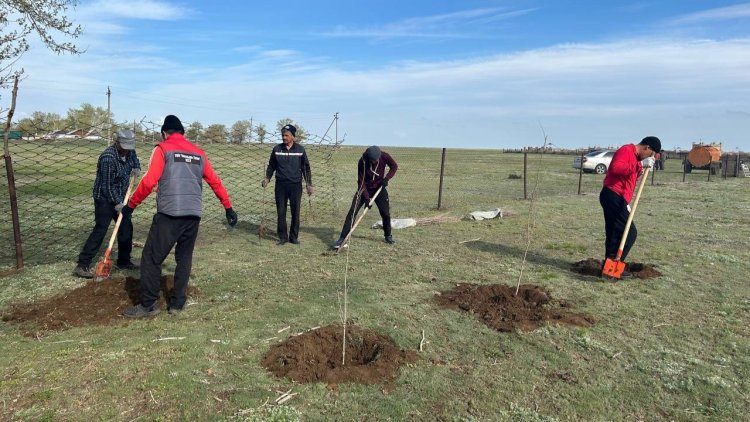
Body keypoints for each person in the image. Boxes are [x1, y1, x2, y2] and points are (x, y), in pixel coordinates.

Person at [120, 115, 238, 318]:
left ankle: (149, 305)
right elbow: (215, 181)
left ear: (165, 133)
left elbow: (149, 182)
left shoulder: (163, 149)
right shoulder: (199, 153)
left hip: (169, 214)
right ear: (182, 132)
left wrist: (130, 206)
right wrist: (228, 207)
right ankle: (177, 303)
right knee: (184, 258)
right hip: (193, 214)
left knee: (151, 258)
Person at [73, 129, 141, 278]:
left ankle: (124, 261)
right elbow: (107, 186)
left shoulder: (130, 151)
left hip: (122, 197)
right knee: (101, 230)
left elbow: (134, 157)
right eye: (124, 147)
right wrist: (117, 204)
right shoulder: (108, 158)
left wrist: (136, 167)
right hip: (104, 199)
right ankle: (82, 265)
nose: (127, 150)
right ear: (117, 143)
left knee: (126, 228)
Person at [599, 136, 660, 278]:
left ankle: (608, 268)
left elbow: (629, 177)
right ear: (647, 148)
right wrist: (640, 165)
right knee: (630, 233)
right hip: (612, 195)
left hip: (619, 198)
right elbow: (615, 168)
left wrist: (642, 168)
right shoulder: (626, 150)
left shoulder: (636, 158)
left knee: (614, 232)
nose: (649, 157)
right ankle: (615, 264)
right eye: (651, 154)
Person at [332, 145, 398, 249]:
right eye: (373, 160)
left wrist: (386, 178)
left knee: (385, 213)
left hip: (379, 188)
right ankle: (342, 238)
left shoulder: (384, 156)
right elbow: (361, 181)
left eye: (376, 160)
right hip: (364, 188)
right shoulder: (362, 161)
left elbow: (394, 166)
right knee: (352, 212)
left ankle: (388, 236)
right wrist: (367, 198)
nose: (375, 162)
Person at [262, 124, 313, 245]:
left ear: (293, 136)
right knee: (281, 211)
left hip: (295, 185)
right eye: (283, 135)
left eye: (287, 135)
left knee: (295, 211)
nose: (284, 138)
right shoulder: (277, 149)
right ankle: (283, 237)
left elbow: (306, 168)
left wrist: (309, 184)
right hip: (281, 185)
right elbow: (271, 165)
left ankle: (293, 237)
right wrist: (267, 178)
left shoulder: (300, 150)